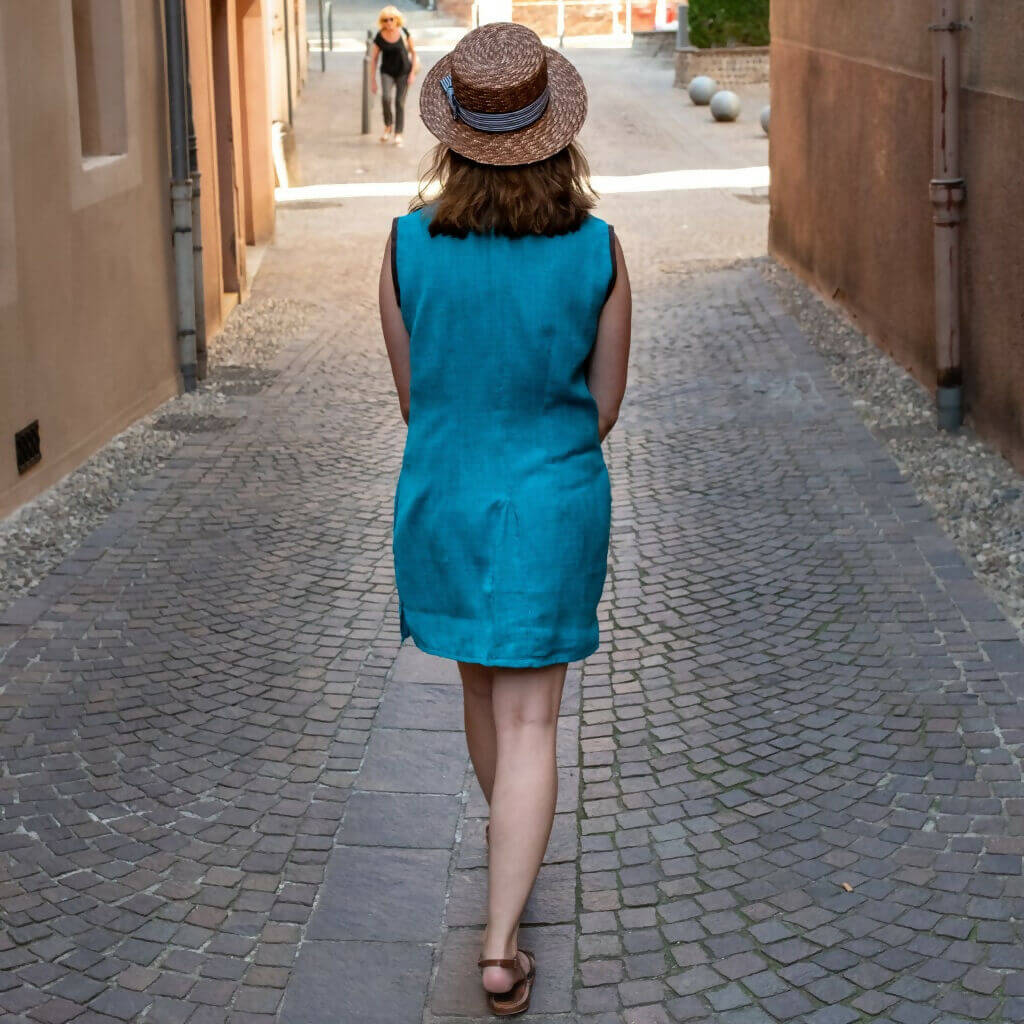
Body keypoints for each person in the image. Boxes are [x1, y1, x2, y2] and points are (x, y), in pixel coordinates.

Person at [378, 22, 631, 1018]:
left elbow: (414, 396)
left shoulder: (402, 245)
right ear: (555, 133)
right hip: (551, 499)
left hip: (444, 493)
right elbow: (602, 404)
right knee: (532, 720)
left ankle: (503, 895)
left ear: (452, 135)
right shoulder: (599, 249)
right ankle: (499, 943)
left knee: (486, 699)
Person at [369, 6, 416, 146]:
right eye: (385, 20)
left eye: (391, 19)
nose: (388, 22)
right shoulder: (379, 36)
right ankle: (388, 125)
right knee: (386, 98)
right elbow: (374, 58)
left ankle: (398, 133)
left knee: (399, 103)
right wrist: (372, 80)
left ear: (397, 20)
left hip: (403, 72)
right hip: (387, 72)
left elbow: (413, 53)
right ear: (382, 22)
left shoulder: (404, 33)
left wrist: (412, 73)